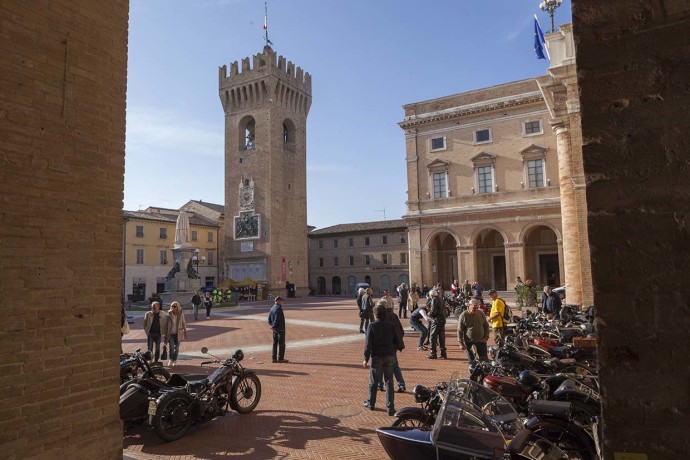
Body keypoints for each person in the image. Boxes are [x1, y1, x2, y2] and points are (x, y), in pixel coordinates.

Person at [362, 304, 404, 416]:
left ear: (375, 315)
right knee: (389, 382)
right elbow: (398, 340)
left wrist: (366, 358)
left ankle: (371, 403)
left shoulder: (372, 326)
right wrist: (395, 348)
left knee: (373, 381)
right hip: (390, 355)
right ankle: (390, 407)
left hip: (377, 356)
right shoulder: (391, 325)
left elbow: (368, 345)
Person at [379, 300, 406, 393]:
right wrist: (397, 341)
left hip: (384, 346)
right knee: (395, 365)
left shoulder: (381, 317)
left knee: (381, 365)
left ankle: (380, 385)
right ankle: (401, 384)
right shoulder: (394, 315)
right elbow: (401, 330)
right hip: (393, 345)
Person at [457, 297, 490, 365]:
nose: (475, 310)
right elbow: (460, 330)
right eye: (474, 308)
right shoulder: (463, 315)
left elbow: (486, 326)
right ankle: (473, 374)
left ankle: (484, 375)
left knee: (484, 361)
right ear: (469, 306)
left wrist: (486, 337)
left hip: (481, 341)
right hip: (470, 342)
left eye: (477, 308)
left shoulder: (480, 313)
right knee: (472, 362)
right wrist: (461, 343)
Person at [427, 289, 448, 359]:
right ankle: (443, 353)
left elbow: (433, 311)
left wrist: (429, 314)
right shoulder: (441, 298)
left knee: (432, 337)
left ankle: (433, 353)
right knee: (441, 337)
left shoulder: (434, 300)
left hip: (436, 320)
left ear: (431, 295)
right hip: (442, 320)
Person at [166, 301, 187, 367]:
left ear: (177, 307)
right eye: (172, 306)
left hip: (178, 333)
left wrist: (185, 330)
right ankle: (170, 359)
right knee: (171, 347)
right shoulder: (169, 314)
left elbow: (183, 322)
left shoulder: (180, 313)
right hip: (171, 333)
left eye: (174, 306)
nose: (173, 307)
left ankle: (175, 360)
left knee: (176, 348)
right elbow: (165, 324)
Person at [268, 296, 288, 363]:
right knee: (281, 344)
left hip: (275, 330)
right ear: (278, 301)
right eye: (281, 300)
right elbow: (277, 319)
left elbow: (269, 320)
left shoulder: (272, 308)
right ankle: (281, 358)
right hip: (280, 329)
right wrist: (273, 325)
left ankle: (273, 358)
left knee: (274, 344)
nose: (283, 302)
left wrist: (272, 326)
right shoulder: (279, 308)